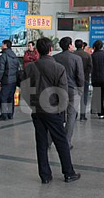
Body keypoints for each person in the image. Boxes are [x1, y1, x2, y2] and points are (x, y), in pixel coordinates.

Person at [24, 37, 80, 184]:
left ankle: (45, 175)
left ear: (37, 50)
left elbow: (25, 90)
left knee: (41, 143)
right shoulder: (58, 68)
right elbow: (63, 92)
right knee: (61, 142)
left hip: (37, 110)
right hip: (54, 110)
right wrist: (60, 110)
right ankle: (68, 172)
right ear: (50, 50)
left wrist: (33, 104)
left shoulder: (29, 68)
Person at [53, 36, 84, 147]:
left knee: (57, 115)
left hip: (58, 89)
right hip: (72, 89)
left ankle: (49, 140)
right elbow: (80, 76)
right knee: (71, 115)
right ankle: (66, 141)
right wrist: (80, 89)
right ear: (70, 45)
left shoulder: (55, 58)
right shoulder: (76, 59)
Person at [0, 39, 20, 121]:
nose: (1, 45)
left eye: (2, 44)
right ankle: (10, 114)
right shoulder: (14, 55)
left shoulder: (4, 56)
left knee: (3, 97)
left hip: (6, 79)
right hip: (13, 80)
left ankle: (3, 115)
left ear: (5, 45)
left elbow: (1, 69)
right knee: (10, 97)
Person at [73, 39, 92, 121]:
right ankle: (82, 115)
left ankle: (74, 114)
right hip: (85, 79)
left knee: (74, 97)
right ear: (82, 46)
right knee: (84, 97)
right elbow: (90, 67)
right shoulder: (87, 55)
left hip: (74, 79)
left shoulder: (72, 55)